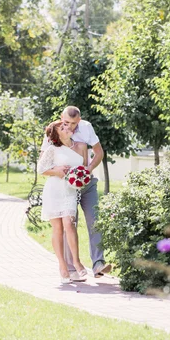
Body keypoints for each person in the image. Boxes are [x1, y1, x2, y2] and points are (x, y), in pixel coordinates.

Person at [40, 106, 112, 280]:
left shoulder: (86, 128)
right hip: (64, 187)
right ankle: (71, 268)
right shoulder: (54, 131)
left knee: (95, 219)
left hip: (86, 183)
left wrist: (87, 170)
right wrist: (56, 170)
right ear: (61, 118)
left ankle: (98, 264)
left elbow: (98, 152)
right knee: (68, 225)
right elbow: (43, 163)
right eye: (66, 123)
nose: (70, 127)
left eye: (73, 123)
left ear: (79, 120)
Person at [38, 121, 88, 284]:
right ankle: (62, 265)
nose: (67, 128)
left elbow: (85, 169)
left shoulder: (80, 147)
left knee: (69, 223)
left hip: (70, 192)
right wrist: (56, 171)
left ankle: (76, 261)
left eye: (67, 126)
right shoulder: (53, 149)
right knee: (58, 228)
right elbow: (41, 169)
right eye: (63, 128)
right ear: (57, 134)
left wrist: (82, 179)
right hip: (54, 190)